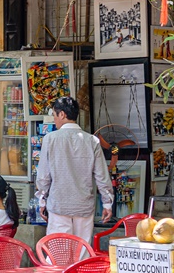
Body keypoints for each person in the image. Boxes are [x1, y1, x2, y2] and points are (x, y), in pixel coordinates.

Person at [35, 96, 114, 246]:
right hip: (84, 207)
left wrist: (42, 200)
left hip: (59, 206)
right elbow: (102, 176)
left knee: (58, 255)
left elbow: (43, 176)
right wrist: (107, 204)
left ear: (62, 115)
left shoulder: (50, 139)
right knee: (82, 254)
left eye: (54, 115)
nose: (54, 120)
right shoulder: (92, 141)